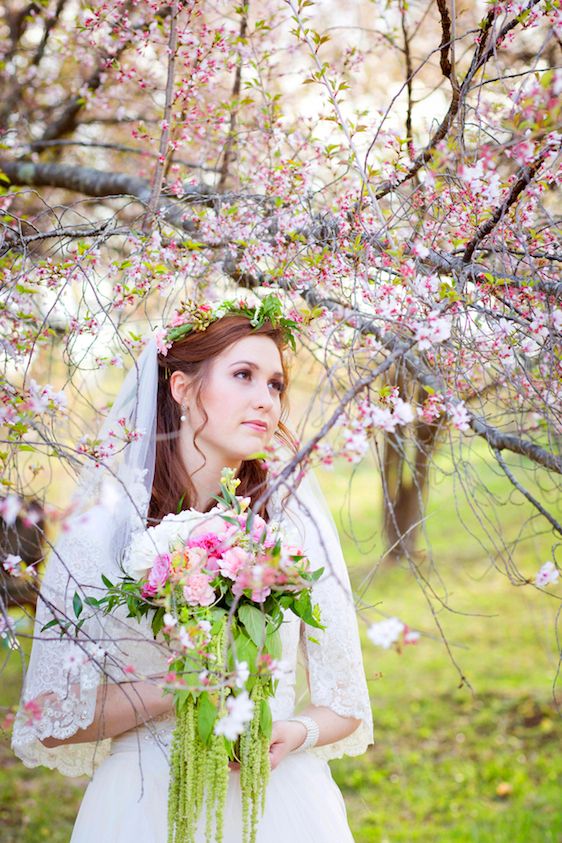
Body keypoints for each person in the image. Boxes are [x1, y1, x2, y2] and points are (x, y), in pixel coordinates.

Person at [11, 296, 374, 842]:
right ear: (182, 388)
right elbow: (52, 718)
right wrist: (177, 687)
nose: (266, 402)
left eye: (275, 384)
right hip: (143, 803)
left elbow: (344, 703)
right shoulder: (103, 527)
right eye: (244, 376)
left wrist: (291, 732)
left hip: (275, 803)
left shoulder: (290, 526)